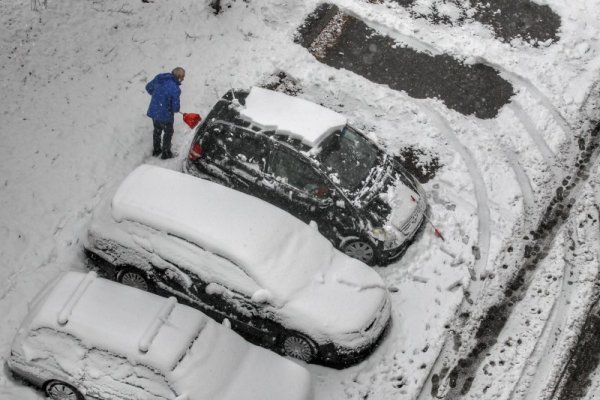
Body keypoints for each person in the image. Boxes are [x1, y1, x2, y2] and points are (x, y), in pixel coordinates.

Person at [145, 67, 185, 159]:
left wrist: (157, 96)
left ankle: (156, 150)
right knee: (168, 132)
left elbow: (148, 87)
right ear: (179, 76)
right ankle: (166, 153)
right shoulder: (175, 89)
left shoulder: (160, 77)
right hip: (165, 115)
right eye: (183, 77)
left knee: (157, 131)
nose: (183, 79)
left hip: (154, 111)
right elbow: (175, 108)